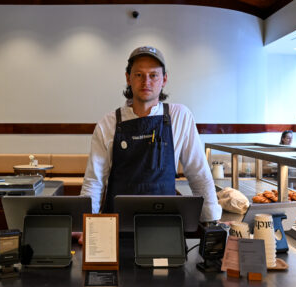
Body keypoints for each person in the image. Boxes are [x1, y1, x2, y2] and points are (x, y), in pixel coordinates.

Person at [81, 46, 221, 223]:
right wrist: (84, 223)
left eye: (153, 75)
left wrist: (211, 220)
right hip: (117, 227)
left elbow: (199, 173)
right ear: (128, 78)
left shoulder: (180, 116)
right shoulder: (108, 123)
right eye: (139, 74)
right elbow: (94, 182)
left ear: (164, 79)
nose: (146, 81)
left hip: (165, 225)